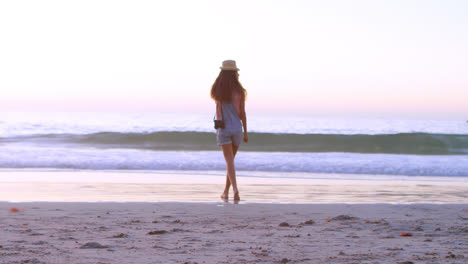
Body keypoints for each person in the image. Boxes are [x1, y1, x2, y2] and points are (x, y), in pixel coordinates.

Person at [210, 60, 248, 201]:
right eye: (236, 72)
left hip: (223, 129)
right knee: (230, 162)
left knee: (229, 162)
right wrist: (245, 132)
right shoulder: (240, 92)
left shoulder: (217, 91)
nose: (238, 74)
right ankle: (226, 191)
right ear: (233, 73)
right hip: (237, 129)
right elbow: (242, 113)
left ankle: (235, 189)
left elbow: (219, 108)